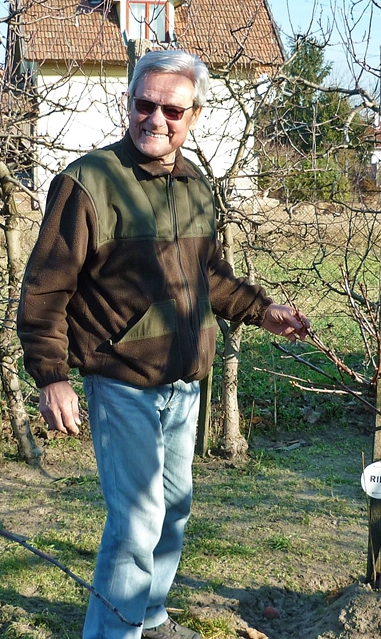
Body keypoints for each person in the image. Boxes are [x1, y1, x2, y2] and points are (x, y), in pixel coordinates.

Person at [17, 49, 310, 639]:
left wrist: (261, 311)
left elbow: (209, 278)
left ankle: (150, 616)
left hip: (182, 383)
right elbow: (46, 287)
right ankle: (115, 632)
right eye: (143, 104)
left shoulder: (197, 187)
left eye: (171, 110)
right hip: (120, 379)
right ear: (129, 105)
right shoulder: (88, 182)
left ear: (194, 115)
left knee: (172, 514)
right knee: (136, 521)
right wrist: (52, 374)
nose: (155, 119)